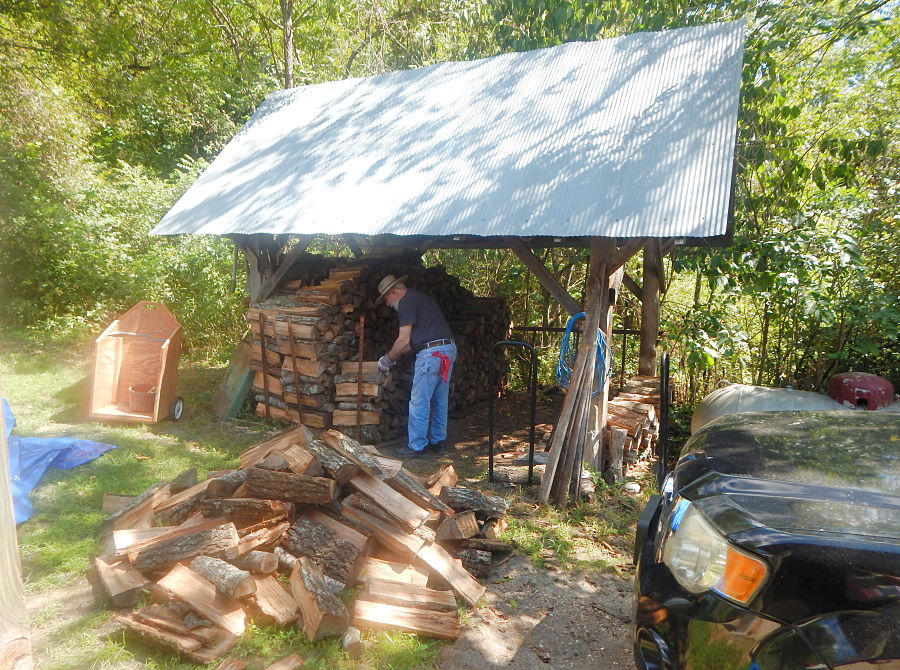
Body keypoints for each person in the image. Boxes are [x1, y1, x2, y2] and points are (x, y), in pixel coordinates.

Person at [375, 274, 457, 459]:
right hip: (447, 349)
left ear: (394, 292)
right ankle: (438, 441)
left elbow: (403, 340)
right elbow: (415, 342)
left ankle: (417, 446)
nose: (387, 304)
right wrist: (394, 356)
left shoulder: (406, 303)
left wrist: (386, 360)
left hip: (432, 355)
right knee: (439, 398)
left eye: (386, 298)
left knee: (419, 401)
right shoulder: (420, 298)